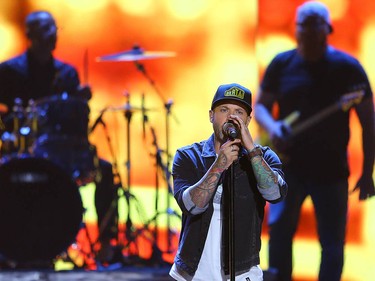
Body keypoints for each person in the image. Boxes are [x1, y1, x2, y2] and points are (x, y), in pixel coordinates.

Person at [254, 1, 375, 281]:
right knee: (280, 236)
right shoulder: (281, 64)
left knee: (332, 244)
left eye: (312, 26)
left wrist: (367, 170)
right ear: (295, 30)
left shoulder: (348, 69)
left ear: (326, 30)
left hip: (330, 171)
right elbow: (261, 106)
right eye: (302, 26)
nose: (306, 33)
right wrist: (273, 127)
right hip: (287, 168)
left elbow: (368, 122)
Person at [0, 10, 118, 264]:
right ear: (30, 35)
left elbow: (74, 122)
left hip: (62, 152)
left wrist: (80, 100)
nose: (52, 35)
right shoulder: (9, 71)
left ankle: (107, 243)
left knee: (105, 171)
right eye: (45, 30)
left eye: (54, 29)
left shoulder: (67, 73)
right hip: (23, 150)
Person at [169, 83, 288, 281]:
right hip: (192, 273)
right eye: (224, 110)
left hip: (243, 273)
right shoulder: (188, 156)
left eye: (239, 112)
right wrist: (220, 164)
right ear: (211, 116)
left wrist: (252, 152)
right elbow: (192, 206)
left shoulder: (264, 157)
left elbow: (275, 194)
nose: (231, 117)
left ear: (248, 120)